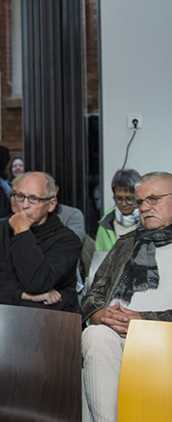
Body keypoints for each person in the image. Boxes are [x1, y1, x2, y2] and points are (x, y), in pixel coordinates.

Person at [80, 171, 172, 422]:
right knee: (95, 333)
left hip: (165, 340)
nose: (144, 207)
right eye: (140, 202)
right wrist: (99, 313)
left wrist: (144, 319)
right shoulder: (126, 243)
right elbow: (95, 292)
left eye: (153, 199)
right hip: (118, 336)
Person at [0, 172, 82, 314]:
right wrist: (23, 294)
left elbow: (35, 283)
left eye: (33, 199)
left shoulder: (67, 241)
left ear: (51, 205)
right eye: (20, 197)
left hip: (48, 324)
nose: (24, 205)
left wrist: (22, 232)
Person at [95, 168, 141, 252]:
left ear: (138, 197)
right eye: (119, 198)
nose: (124, 204)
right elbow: (100, 257)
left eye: (129, 198)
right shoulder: (106, 222)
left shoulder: (149, 221)